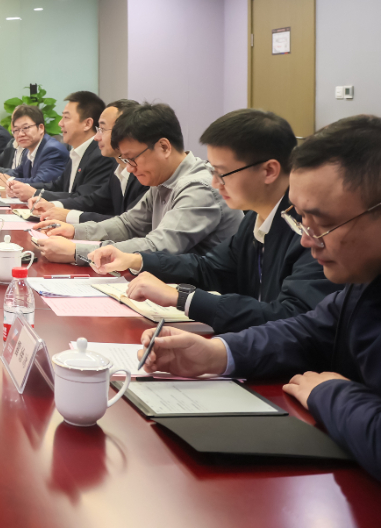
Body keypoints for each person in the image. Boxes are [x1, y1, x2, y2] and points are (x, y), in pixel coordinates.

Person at [137, 115, 381, 480]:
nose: (306, 239)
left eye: (323, 223)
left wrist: (331, 393)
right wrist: (217, 354)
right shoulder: (363, 280)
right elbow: (307, 330)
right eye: (301, 219)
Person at [89, 109, 340, 332]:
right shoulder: (255, 218)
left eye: (223, 173)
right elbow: (210, 268)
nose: (215, 183)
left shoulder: (310, 231)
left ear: (269, 171)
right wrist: (138, 260)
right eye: (213, 170)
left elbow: (289, 316)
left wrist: (183, 297)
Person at [36, 102, 240, 265]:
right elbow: (128, 224)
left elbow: (158, 246)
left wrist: (78, 251)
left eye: (132, 159)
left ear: (164, 147)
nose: (130, 169)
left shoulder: (199, 187)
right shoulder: (163, 179)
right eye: (125, 160)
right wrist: (74, 231)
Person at [31, 99, 147, 224]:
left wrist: (69, 215)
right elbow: (94, 200)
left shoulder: (145, 173)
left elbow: (130, 225)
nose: (96, 137)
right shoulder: (117, 166)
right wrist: (54, 206)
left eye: (102, 129)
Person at [7, 91, 115, 206]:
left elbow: (85, 199)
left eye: (66, 117)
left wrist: (35, 193)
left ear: (87, 124)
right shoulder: (76, 152)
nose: (60, 123)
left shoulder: (101, 155)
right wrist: (25, 188)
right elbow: (58, 186)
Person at [0, 105, 69, 188]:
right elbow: (18, 172)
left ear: (41, 128)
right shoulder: (28, 149)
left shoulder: (52, 150)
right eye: (16, 130)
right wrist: (1, 176)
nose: (20, 134)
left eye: (26, 128)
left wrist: (9, 181)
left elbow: (42, 182)